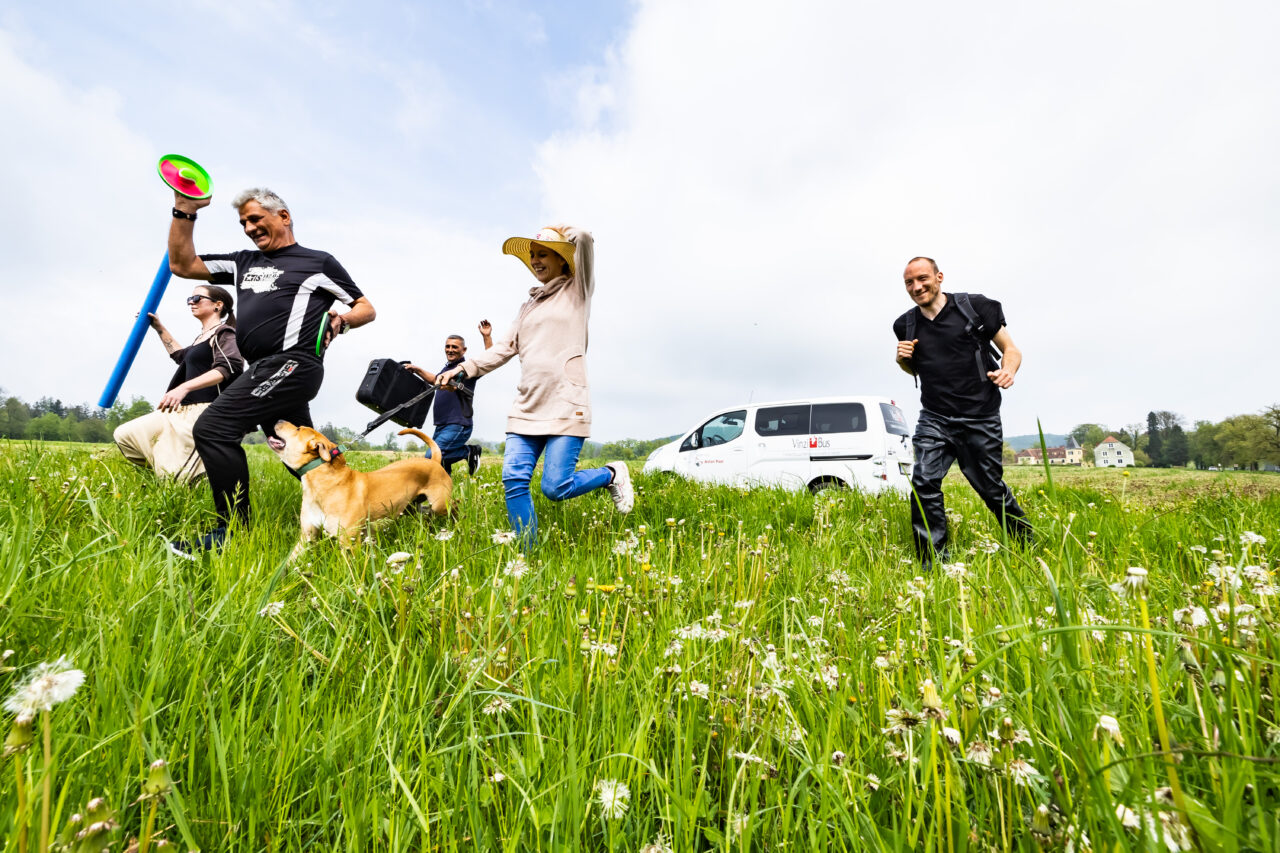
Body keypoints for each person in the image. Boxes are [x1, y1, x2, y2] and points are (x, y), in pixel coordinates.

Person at [164, 186, 376, 557]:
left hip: (293, 363)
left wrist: (343, 319)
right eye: (243, 222)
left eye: (255, 219)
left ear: (283, 216)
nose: (248, 227)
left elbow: (365, 307)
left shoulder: (316, 262)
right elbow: (182, 265)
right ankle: (360, 509)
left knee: (213, 429)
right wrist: (184, 210)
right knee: (305, 454)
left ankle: (231, 533)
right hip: (262, 368)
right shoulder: (243, 262)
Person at [437, 226, 633, 544]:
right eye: (532, 256)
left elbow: (583, 240)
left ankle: (610, 473)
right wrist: (463, 369)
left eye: (542, 254)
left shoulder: (578, 290)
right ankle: (527, 557)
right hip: (527, 405)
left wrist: (562, 232)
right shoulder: (527, 306)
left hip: (567, 403)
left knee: (555, 487)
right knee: (513, 479)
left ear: (561, 259)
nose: (535, 261)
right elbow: (502, 348)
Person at [893, 256, 1032, 567]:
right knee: (924, 481)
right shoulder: (905, 324)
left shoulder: (977, 307)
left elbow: (1012, 349)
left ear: (939, 277)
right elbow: (913, 368)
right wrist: (902, 360)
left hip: (980, 416)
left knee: (991, 489)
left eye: (922, 279)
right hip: (935, 418)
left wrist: (1008, 371)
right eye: (909, 282)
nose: (917, 287)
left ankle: (1027, 543)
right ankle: (932, 563)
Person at [113, 285, 243, 483]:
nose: (191, 302)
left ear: (218, 305)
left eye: (197, 298)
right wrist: (159, 328)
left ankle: (192, 481)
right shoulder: (202, 337)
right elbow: (180, 356)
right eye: (189, 299)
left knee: (174, 479)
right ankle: (180, 475)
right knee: (125, 435)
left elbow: (228, 367)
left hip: (206, 411)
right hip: (179, 411)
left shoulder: (225, 334)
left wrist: (184, 387)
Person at [404, 321, 493, 475]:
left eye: (454, 347)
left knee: (431, 457)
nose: (450, 350)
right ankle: (445, 491)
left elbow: (490, 359)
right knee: (440, 464)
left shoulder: (468, 368)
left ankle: (469, 452)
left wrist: (487, 337)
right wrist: (417, 369)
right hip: (441, 424)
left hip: (458, 423)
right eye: (448, 346)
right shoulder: (447, 368)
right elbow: (435, 380)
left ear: (464, 350)